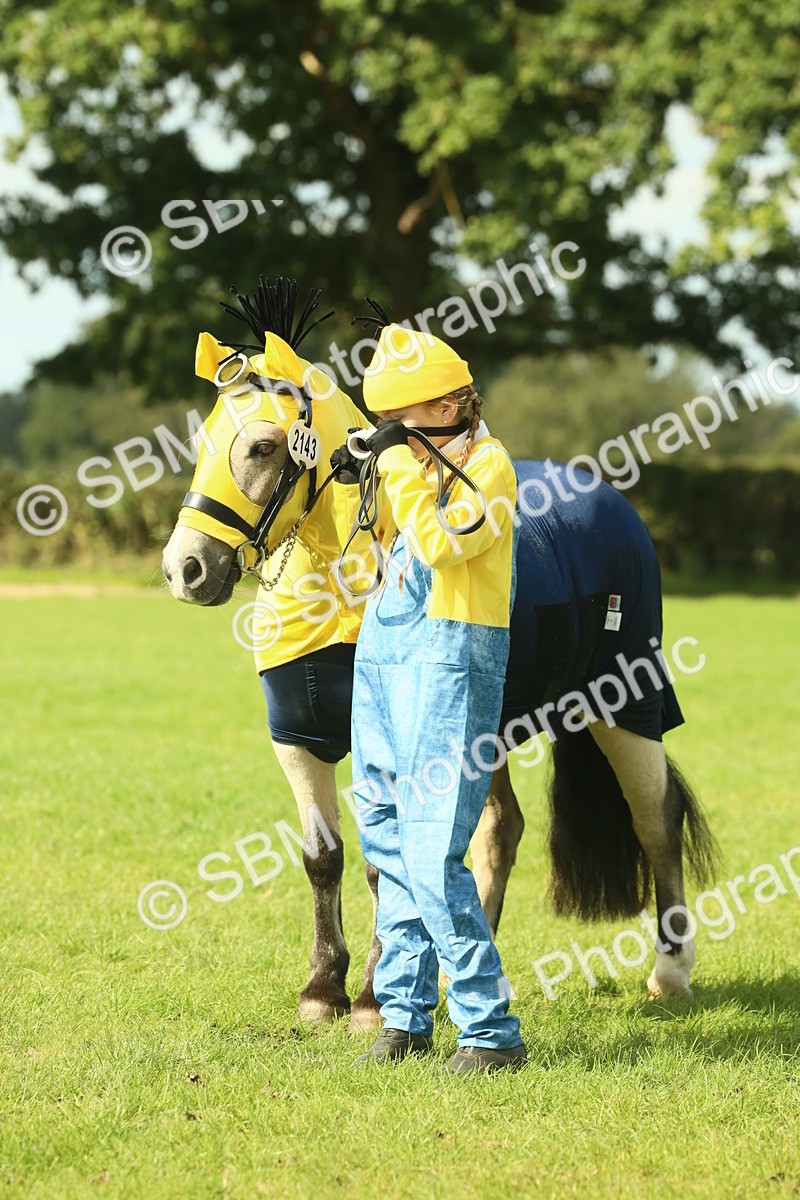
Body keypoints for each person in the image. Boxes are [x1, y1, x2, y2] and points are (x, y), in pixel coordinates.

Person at [334, 322, 527, 1075]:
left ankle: (490, 1031)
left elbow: (445, 543)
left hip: (453, 660)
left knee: (430, 847)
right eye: (385, 419)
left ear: (450, 406)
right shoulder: (409, 465)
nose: (392, 431)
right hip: (383, 657)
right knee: (385, 839)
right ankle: (404, 1018)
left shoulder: (492, 468)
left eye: (402, 417)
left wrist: (396, 465)